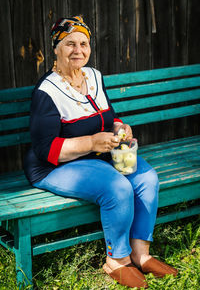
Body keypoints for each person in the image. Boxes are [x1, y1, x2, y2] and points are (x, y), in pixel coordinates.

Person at [24, 16, 178, 289]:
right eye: (69, 44)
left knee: (146, 179)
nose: (78, 50)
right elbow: (45, 149)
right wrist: (92, 143)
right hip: (55, 166)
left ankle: (141, 254)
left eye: (84, 44)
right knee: (117, 187)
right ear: (56, 48)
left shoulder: (93, 76)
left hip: (98, 156)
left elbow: (109, 117)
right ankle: (116, 260)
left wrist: (120, 126)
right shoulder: (47, 91)